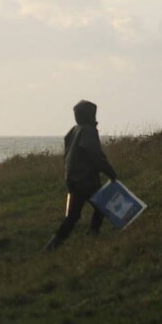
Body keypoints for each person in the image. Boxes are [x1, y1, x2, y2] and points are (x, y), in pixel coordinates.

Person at [44, 100, 117, 251]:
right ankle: (92, 235)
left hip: (72, 178)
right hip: (85, 179)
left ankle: (53, 245)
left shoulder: (74, 130)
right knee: (100, 207)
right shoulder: (88, 131)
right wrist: (109, 171)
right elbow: (95, 155)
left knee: (73, 216)